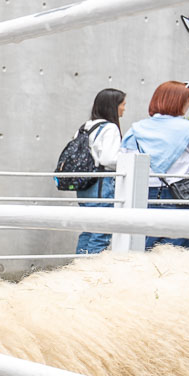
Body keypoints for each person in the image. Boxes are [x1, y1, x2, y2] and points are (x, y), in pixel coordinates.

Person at [121, 80, 189, 249]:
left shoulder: (136, 129)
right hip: (181, 195)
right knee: (179, 247)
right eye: (188, 100)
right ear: (179, 102)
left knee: (143, 245)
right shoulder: (188, 129)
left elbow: (125, 161)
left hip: (142, 194)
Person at [75, 88, 126, 254]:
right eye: (122, 104)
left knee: (89, 229)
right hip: (102, 185)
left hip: (85, 185)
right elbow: (108, 159)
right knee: (102, 231)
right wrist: (128, 160)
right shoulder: (110, 128)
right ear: (113, 106)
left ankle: (79, 265)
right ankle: (92, 267)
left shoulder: (85, 127)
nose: (124, 109)